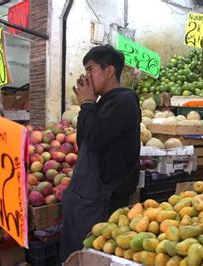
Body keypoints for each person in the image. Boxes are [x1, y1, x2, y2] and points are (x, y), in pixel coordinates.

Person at [60, 45, 141, 262]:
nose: (86, 76)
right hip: (87, 198)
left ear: (109, 71)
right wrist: (88, 105)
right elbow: (84, 140)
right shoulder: (102, 104)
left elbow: (95, 139)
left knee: (96, 257)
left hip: (104, 200)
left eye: (91, 70)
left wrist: (87, 103)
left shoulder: (124, 101)